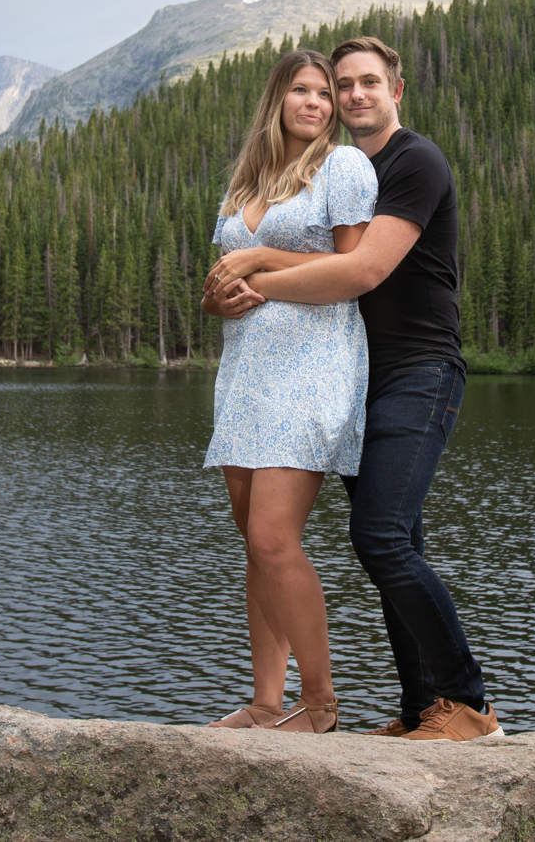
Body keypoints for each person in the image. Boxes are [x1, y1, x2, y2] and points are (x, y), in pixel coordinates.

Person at [207, 35, 499, 743]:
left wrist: (254, 277)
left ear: (396, 90)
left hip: (417, 369)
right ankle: (419, 707)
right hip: (348, 372)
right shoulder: (334, 168)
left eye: (369, 82)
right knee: (396, 541)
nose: (352, 94)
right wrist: (227, 294)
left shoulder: (411, 161)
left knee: (379, 536)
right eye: (343, 84)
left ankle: (469, 706)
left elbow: (360, 269)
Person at [197, 47, 379, 734]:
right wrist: (217, 302)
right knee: (256, 546)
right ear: (277, 99)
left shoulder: (342, 167)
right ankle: (267, 703)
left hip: (313, 366)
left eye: (326, 93)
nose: (317, 103)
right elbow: (221, 290)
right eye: (302, 90)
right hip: (245, 373)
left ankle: (322, 704)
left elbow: (352, 266)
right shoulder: (246, 185)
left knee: (275, 538)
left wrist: (263, 261)